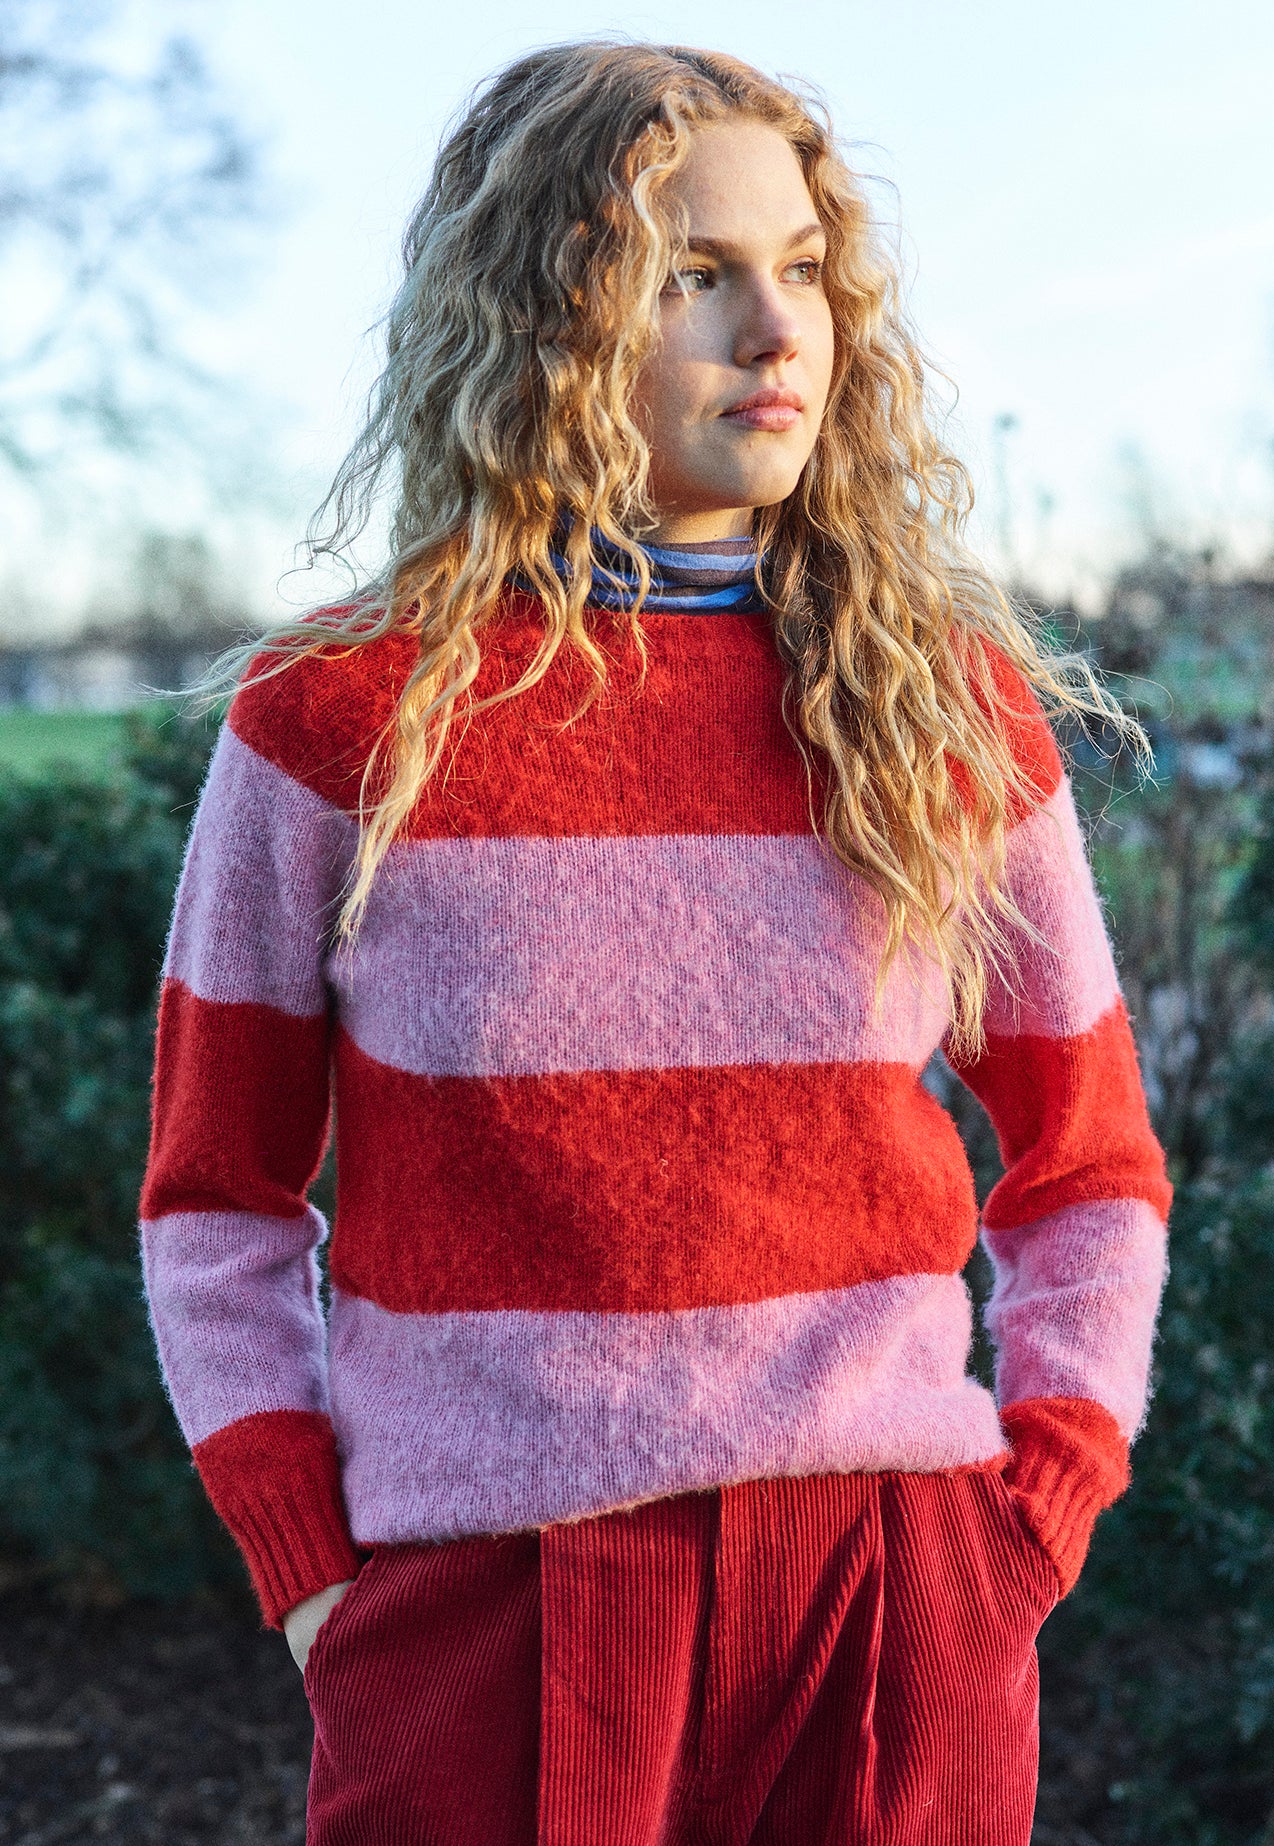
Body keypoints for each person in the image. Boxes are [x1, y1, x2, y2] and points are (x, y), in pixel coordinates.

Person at [138, 41, 1171, 1846]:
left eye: (801, 270)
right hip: (477, 1604)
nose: (774, 330)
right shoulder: (335, 721)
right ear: (542, 313)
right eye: (694, 275)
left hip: (886, 1589)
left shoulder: (942, 711)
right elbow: (214, 1196)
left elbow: (1086, 1164)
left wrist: (1035, 1509)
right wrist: (314, 1572)